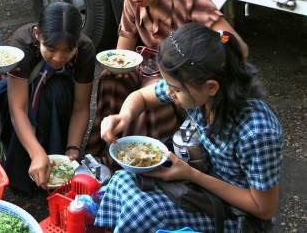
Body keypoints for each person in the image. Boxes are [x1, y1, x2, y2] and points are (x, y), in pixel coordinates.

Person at [95, 23, 282, 232]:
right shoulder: (199, 92)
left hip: (236, 215)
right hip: (200, 188)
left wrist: (191, 174)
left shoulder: (257, 132)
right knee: (122, 180)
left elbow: (263, 209)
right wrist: (124, 116)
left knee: (143, 211)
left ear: (211, 87)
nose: (169, 93)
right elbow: (142, 97)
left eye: (174, 89)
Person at [86, 0, 248, 162]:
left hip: (183, 79)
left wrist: (193, 66)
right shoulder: (133, 0)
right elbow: (123, 49)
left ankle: (146, 160)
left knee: (151, 101)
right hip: (149, 67)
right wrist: (116, 67)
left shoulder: (190, 0)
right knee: (110, 79)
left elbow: (237, 47)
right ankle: (104, 153)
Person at [0, 2, 95, 194]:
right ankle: (20, 161)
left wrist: (73, 148)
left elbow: (81, 107)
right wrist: (36, 152)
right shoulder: (22, 42)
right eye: (51, 48)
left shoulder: (85, 48)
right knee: (10, 96)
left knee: (57, 93)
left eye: (68, 50)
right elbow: (18, 108)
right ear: (38, 34)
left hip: (58, 92)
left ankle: (55, 164)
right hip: (21, 94)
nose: (58, 57)